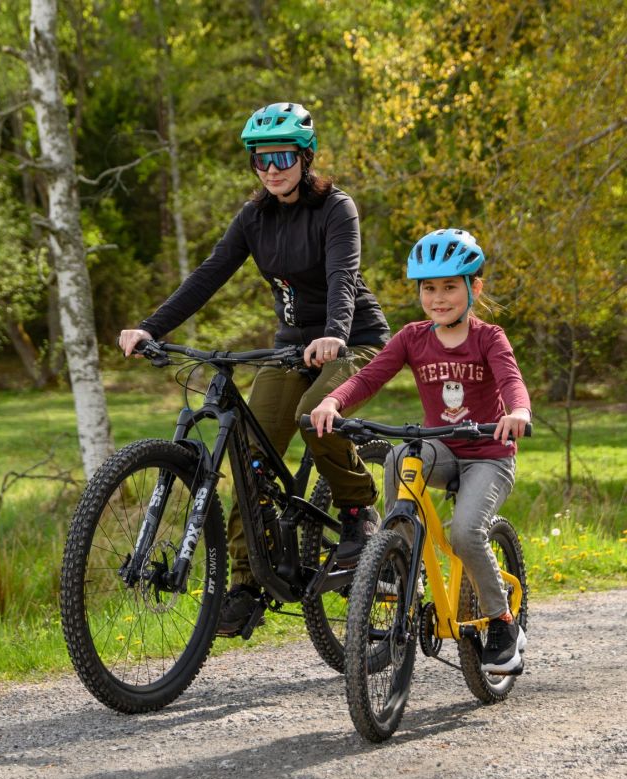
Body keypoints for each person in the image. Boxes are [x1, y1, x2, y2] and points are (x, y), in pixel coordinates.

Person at [119, 101, 391, 637]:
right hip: (290, 347)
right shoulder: (254, 218)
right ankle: (247, 584)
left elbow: (343, 276)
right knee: (246, 456)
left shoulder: (337, 209)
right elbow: (208, 274)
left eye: (283, 155)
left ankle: (360, 511)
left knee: (317, 415)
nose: (272, 168)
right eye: (262, 158)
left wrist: (335, 334)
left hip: (354, 340)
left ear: (304, 157)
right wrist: (152, 327)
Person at [310, 227, 531, 675]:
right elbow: (369, 376)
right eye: (429, 288)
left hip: (489, 455)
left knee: (466, 534)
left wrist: (519, 412)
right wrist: (334, 399)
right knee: (398, 458)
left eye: (451, 286)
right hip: (442, 450)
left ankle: (503, 621)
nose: (439, 298)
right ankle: (399, 558)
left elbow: (511, 382)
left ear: (475, 288)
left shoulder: (489, 337)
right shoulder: (413, 337)